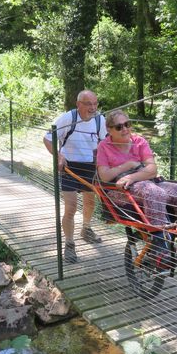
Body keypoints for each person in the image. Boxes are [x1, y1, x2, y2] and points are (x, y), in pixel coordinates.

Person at [96, 110, 177, 240]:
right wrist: (128, 165)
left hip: (144, 181)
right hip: (118, 190)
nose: (124, 129)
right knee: (153, 192)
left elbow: (152, 169)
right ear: (109, 129)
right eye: (119, 127)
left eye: (127, 124)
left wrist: (132, 177)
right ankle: (159, 242)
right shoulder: (104, 146)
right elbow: (105, 176)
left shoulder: (139, 141)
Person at [44, 90, 107, 264]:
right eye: (88, 104)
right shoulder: (66, 119)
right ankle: (69, 244)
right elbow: (48, 139)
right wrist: (58, 156)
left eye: (95, 104)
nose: (93, 108)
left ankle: (86, 229)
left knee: (90, 202)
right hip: (69, 166)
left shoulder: (100, 120)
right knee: (71, 208)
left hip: (90, 166)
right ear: (78, 104)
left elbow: (104, 143)